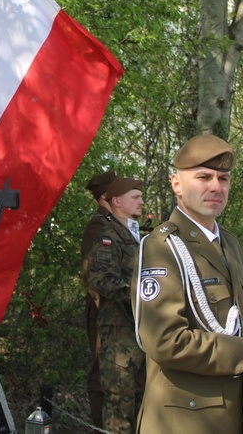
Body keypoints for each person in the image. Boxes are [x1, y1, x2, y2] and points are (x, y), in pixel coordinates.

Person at [132, 135, 243, 433]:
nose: (216, 187)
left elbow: (234, 327)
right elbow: (164, 341)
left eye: (223, 178)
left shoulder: (230, 245)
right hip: (183, 422)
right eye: (203, 177)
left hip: (232, 419)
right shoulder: (162, 247)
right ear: (176, 184)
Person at [87, 177, 147, 433]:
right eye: (135, 197)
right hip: (119, 333)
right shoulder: (108, 236)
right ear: (117, 201)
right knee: (119, 406)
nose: (142, 201)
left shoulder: (136, 236)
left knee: (140, 401)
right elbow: (99, 278)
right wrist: (139, 297)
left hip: (140, 332)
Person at [80, 169, 116, 427]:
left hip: (116, 313)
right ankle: (100, 426)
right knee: (101, 372)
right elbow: (90, 272)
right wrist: (105, 307)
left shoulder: (117, 224)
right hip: (103, 311)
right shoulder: (98, 225)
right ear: (105, 194)